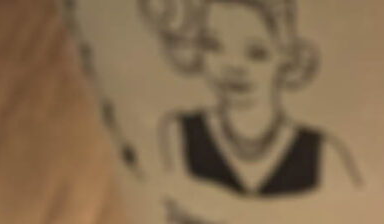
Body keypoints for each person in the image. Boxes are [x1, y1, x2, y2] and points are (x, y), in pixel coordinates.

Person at [150, 0, 360, 199]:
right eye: (213, 45)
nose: (232, 66)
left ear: (286, 58)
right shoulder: (177, 134)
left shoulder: (324, 156)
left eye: (256, 53)